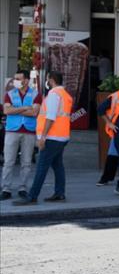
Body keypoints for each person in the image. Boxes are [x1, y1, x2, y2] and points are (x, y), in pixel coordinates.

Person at [15, 71, 73, 206]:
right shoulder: (65, 95)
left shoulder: (54, 94)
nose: (46, 82)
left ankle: (32, 196)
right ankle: (59, 193)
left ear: (51, 80)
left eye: (47, 79)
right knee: (58, 166)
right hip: (61, 136)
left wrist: (43, 138)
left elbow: (50, 117)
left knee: (42, 167)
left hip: (52, 137)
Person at [2, 69, 40, 200]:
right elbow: (6, 110)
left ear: (26, 80)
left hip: (29, 131)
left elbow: (34, 113)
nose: (15, 81)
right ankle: (6, 188)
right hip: (12, 130)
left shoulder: (36, 94)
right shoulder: (10, 94)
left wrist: (15, 110)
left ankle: (23, 187)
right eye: (15, 79)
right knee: (8, 161)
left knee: (26, 162)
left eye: (18, 79)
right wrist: (25, 108)